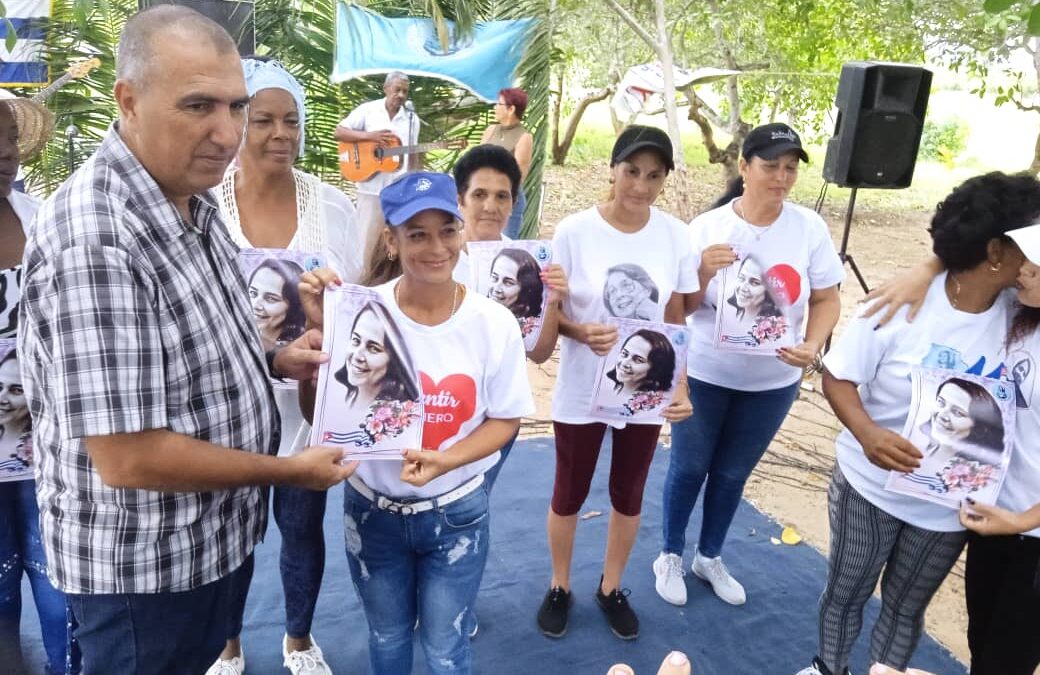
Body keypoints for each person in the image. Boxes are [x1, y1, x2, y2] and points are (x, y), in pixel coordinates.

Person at [17, 8, 353, 674]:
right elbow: (130, 456)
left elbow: (193, 343)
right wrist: (288, 471)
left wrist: (274, 358)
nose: (226, 133)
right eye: (198, 105)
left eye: (236, 105)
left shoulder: (190, 200)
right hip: (144, 574)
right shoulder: (97, 238)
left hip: (207, 546)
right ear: (129, 100)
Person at [792, 171, 1038, 675]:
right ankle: (829, 668)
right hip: (870, 487)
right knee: (846, 593)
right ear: (996, 251)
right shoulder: (900, 304)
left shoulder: (1024, 312)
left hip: (947, 507)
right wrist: (868, 434)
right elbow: (837, 378)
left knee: (906, 608)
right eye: (1030, 242)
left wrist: (929, 263)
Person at [298, 171, 534, 675]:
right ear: (392, 239)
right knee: (386, 636)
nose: (435, 247)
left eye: (447, 230)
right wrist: (323, 330)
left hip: (456, 514)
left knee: (446, 648)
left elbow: (505, 419)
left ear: (463, 231)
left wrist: (446, 458)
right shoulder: (361, 312)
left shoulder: (494, 323)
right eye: (417, 233)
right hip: (372, 513)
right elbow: (317, 411)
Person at [210, 56, 364, 675]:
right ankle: (227, 644)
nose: (281, 133)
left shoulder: (332, 209)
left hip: (308, 405)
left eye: (292, 121)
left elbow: (356, 304)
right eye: (264, 118)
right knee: (230, 538)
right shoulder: (203, 205)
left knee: (302, 525)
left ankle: (298, 639)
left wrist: (331, 305)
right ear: (239, 121)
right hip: (226, 406)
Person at [653, 123, 843, 609]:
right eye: (770, 166)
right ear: (743, 168)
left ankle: (709, 556)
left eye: (790, 168)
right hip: (706, 373)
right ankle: (670, 554)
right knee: (691, 465)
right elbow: (680, 309)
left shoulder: (808, 228)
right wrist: (700, 271)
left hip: (774, 381)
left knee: (734, 472)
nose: (781, 177)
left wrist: (813, 344)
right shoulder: (706, 229)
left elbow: (826, 298)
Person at [861, 206, 1040, 675]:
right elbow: (971, 241)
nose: (1023, 270)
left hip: (1027, 530)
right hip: (989, 514)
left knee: (1009, 659)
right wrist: (929, 266)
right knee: (983, 641)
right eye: (1027, 260)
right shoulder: (1019, 313)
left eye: (1036, 268)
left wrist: (1022, 519)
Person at [539, 125, 695, 642]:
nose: (641, 185)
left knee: (629, 493)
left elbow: (675, 318)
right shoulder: (574, 231)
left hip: (643, 396)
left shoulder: (675, 234)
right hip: (583, 388)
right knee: (569, 492)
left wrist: (680, 387)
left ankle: (611, 586)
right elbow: (552, 315)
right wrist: (581, 331)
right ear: (612, 169)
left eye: (654, 175)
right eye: (632, 171)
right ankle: (560, 585)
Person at [0, 89, 81, 675]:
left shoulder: (41, 220)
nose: (5, 152)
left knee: (61, 592)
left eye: (8, 138)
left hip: (47, 450)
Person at [335, 71, 422, 241]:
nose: (401, 95)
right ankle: (363, 269)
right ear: (386, 88)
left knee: (395, 242)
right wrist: (370, 137)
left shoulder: (412, 119)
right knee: (365, 241)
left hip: (398, 191)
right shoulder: (368, 110)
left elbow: (413, 156)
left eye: (405, 91)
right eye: (397, 89)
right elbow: (339, 132)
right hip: (370, 189)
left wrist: (413, 186)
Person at [334, 301, 421, 410]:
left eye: (373, 348)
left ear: (394, 360)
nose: (357, 356)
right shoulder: (341, 397)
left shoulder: (398, 414)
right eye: (356, 340)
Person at [480, 87, 533, 238]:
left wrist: (500, 197)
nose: (495, 108)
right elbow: (476, 160)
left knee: (504, 242)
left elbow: (518, 175)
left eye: (499, 104)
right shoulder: (490, 130)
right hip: (483, 194)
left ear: (511, 109)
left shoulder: (524, 137)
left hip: (507, 199)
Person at [918, 378, 1004, 465]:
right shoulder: (922, 445)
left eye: (958, 412)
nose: (942, 415)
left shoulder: (976, 470)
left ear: (980, 428)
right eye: (941, 402)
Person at [249, 258, 307, 352]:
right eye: (253, 293)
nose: (255, 305)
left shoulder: (299, 348)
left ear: (294, 307)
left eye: (271, 298)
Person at [605, 330, 676, 396]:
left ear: (655, 369)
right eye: (625, 354)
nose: (624, 363)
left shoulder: (650, 405)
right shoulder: (608, 388)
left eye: (638, 360)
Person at [487, 247, 544, 321]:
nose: (497, 288)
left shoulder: (531, 325)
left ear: (525, 290)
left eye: (508, 283)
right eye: (494, 278)